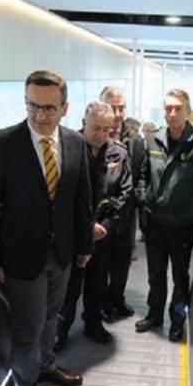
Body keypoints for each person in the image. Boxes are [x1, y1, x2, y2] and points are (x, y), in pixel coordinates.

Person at [0, 70, 93, 386]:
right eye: (32, 106)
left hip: (63, 253)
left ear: (64, 107)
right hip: (21, 256)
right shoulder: (3, 143)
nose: (40, 116)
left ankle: (45, 365)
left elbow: (81, 199)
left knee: (51, 316)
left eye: (48, 108)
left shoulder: (74, 142)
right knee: (27, 326)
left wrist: (85, 244)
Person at [137, 89, 193, 342]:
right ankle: (155, 315)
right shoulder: (153, 139)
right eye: (168, 108)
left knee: (179, 276)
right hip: (155, 222)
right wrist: (144, 197)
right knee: (155, 274)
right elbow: (143, 173)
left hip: (182, 224)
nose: (172, 113)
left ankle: (177, 320)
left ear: (188, 111)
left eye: (178, 108)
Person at [55, 101, 132, 350]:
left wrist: (106, 225)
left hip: (103, 233)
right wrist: (85, 227)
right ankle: (60, 330)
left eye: (107, 129)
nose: (101, 135)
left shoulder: (118, 153)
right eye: (95, 128)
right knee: (69, 288)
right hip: (74, 235)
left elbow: (124, 193)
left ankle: (93, 322)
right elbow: (59, 195)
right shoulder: (67, 149)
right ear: (83, 123)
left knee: (97, 283)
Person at [97, 86, 139, 320]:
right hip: (103, 218)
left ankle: (117, 299)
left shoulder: (135, 140)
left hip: (126, 218)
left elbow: (138, 177)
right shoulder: (91, 137)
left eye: (121, 107)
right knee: (100, 265)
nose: (118, 113)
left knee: (122, 263)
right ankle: (102, 303)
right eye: (113, 107)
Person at [122, 117, 146, 261]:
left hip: (131, 190)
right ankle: (131, 248)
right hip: (132, 190)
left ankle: (130, 248)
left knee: (130, 222)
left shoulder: (135, 141)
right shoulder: (137, 141)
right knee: (131, 222)